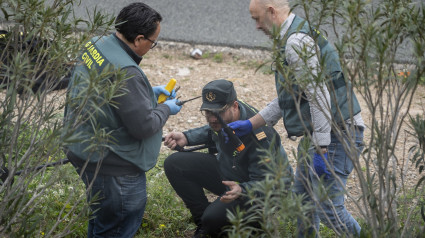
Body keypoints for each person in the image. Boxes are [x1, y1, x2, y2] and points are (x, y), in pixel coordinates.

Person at [227, 0, 366, 237]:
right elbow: (291, 97)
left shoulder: (295, 42)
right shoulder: (293, 36)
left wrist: (321, 147)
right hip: (320, 134)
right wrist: (252, 123)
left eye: (257, 18)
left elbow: (318, 95)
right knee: (303, 202)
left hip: (336, 135)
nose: (257, 26)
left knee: (329, 208)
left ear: (271, 11)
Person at [63, 3, 182, 237]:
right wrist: (166, 109)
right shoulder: (127, 72)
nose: (152, 46)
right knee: (116, 226)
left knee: (101, 219)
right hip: (114, 167)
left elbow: (107, 92)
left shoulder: (96, 45)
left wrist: (147, 91)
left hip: (81, 147)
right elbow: (144, 126)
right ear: (138, 39)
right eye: (153, 42)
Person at [163, 79, 293, 237]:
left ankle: (253, 226)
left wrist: (242, 190)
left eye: (218, 112)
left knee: (212, 218)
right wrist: (186, 137)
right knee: (174, 164)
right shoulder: (227, 116)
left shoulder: (260, 136)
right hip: (232, 173)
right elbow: (214, 129)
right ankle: (204, 225)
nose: (212, 118)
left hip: (261, 190)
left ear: (235, 106)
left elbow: (267, 182)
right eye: (208, 112)